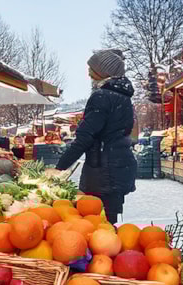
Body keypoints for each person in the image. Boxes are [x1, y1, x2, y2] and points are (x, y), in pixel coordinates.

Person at [53, 49, 137, 224]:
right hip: (120, 166)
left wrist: (59, 169)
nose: (88, 71)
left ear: (101, 71)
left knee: (97, 223)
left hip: (104, 171)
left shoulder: (102, 96)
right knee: (108, 222)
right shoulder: (123, 97)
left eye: (91, 68)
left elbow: (84, 138)